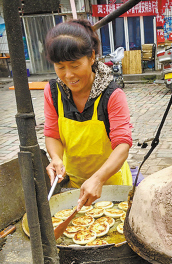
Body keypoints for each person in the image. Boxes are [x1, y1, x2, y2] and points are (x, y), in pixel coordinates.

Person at [44, 19, 132, 210]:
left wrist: (99, 178)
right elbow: (52, 134)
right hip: (73, 184)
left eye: (75, 65)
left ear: (91, 57)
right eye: (60, 67)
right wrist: (56, 158)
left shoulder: (112, 95)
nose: (68, 75)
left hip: (110, 183)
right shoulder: (53, 92)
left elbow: (122, 145)